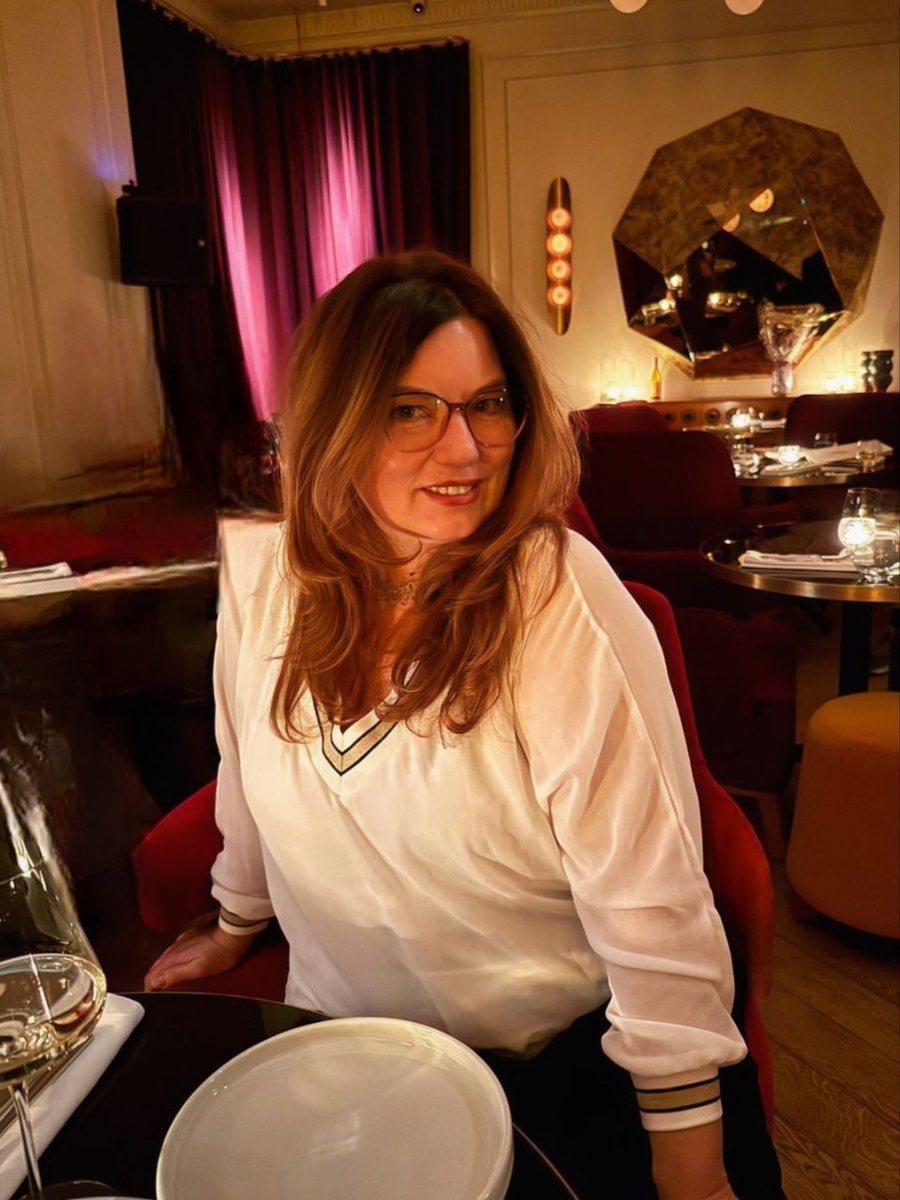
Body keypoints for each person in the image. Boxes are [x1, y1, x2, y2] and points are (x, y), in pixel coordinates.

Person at [145, 250, 784, 1200]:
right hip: (342, 1064)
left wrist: (693, 1177)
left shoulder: (555, 596)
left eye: (488, 404)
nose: (466, 449)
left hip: (547, 1063)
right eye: (410, 410)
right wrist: (237, 917)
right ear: (334, 422)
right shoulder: (267, 578)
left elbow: (651, 902)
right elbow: (248, 771)